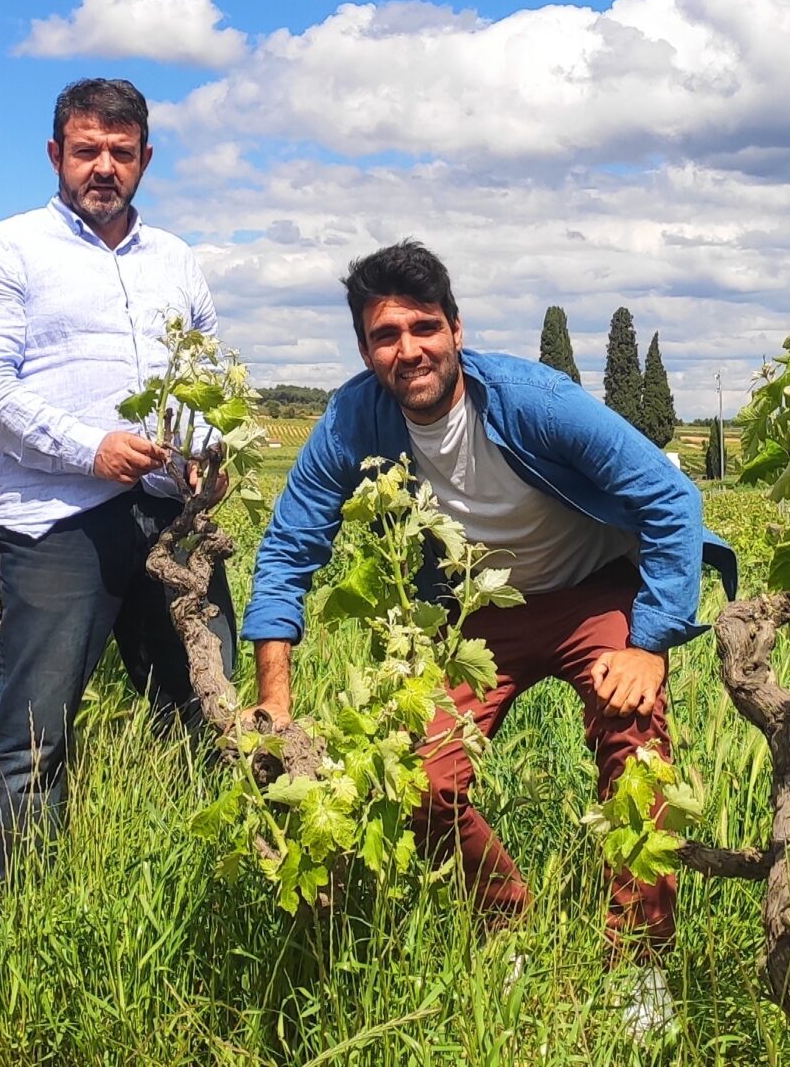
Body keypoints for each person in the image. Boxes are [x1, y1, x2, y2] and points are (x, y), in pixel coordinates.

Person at [243, 241, 733, 1009]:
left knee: (635, 746)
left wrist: (648, 643)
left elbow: (672, 501)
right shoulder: (352, 419)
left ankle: (639, 966)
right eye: (385, 334)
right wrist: (274, 696)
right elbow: (286, 548)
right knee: (420, 778)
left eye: (424, 326)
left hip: (593, 590)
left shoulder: (532, 398)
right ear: (365, 349)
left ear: (457, 330)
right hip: (483, 611)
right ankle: (504, 920)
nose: (409, 349)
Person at [0, 76, 236, 885]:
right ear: (55, 155)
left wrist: (207, 459)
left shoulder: (177, 260)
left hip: (170, 520)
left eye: (121, 151)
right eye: (86, 151)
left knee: (208, 715)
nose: (103, 167)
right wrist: (90, 449)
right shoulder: (8, 249)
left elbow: (207, 384)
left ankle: (210, 894)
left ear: (146, 157)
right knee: (31, 735)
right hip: (56, 519)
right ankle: (2, 928)